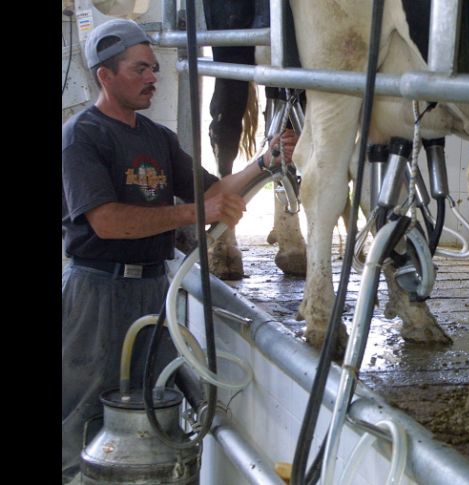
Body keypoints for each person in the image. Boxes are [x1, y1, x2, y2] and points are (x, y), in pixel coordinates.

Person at [61, 19, 297, 482]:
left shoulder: (156, 137)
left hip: (152, 288)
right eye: (140, 69)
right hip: (96, 290)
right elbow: (105, 221)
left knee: (157, 400)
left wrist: (265, 162)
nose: (153, 77)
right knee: (83, 412)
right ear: (105, 76)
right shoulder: (82, 136)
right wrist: (193, 212)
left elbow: (216, 191)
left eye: (154, 68)